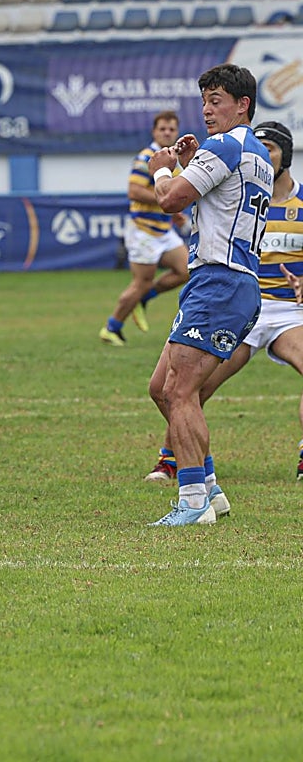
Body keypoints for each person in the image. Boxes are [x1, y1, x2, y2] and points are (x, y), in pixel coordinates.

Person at [145, 63, 272, 527]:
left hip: (220, 280)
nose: (206, 110)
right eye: (203, 101)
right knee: (162, 388)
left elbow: (170, 200)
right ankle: (210, 489)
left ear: (243, 104)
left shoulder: (225, 145)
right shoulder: (258, 153)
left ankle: (193, 499)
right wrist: (190, 165)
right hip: (228, 281)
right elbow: (219, 200)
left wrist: (161, 169)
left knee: (180, 390)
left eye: (215, 101)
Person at [144, 121, 303, 490]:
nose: (262, 153)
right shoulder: (239, 188)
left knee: (180, 386)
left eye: (271, 148)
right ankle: (174, 457)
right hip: (241, 301)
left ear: (285, 155)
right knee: (189, 386)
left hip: (288, 312)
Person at [99, 110, 190, 346]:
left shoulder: (172, 159)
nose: (167, 132)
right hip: (143, 230)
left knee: (186, 270)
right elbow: (134, 191)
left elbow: (168, 193)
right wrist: (165, 199)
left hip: (163, 229)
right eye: (162, 129)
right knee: (141, 282)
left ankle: (144, 298)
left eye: (171, 129)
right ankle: (111, 327)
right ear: (154, 132)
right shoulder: (146, 157)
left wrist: (174, 212)